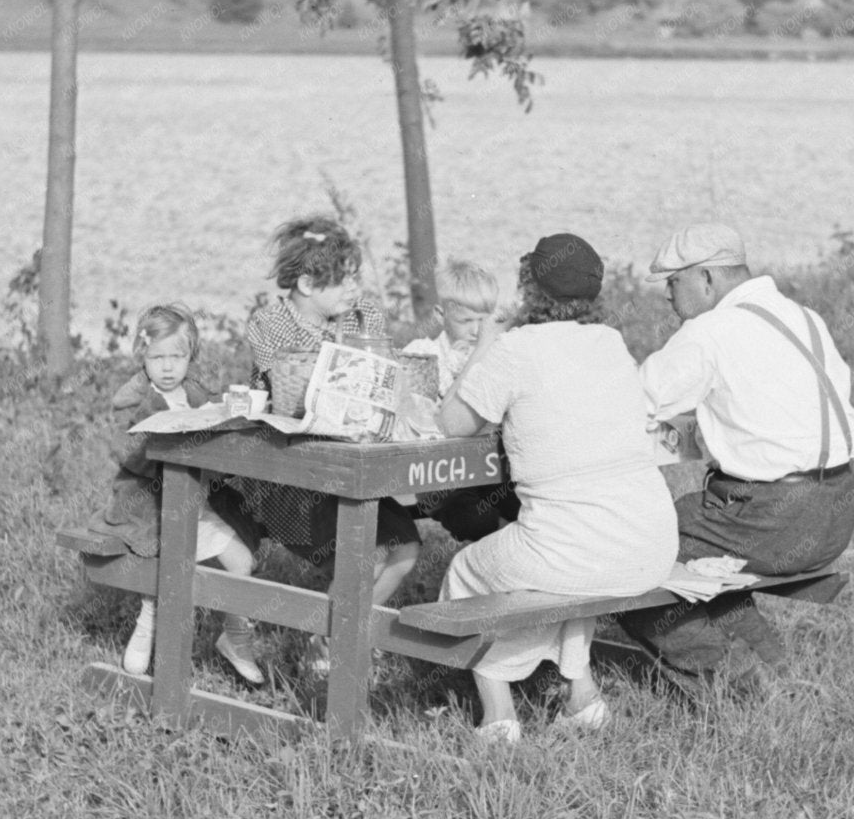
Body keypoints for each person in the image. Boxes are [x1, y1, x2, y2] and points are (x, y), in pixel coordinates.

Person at [437, 233, 679, 746]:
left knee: (466, 571)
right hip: (650, 540)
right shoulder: (610, 342)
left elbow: (454, 423)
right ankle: (582, 698)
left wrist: (483, 344)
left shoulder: (516, 347)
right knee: (568, 578)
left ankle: (499, 716)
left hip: (576, 548)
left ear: (528, 286)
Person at [623, 222, 854, 687]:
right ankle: (775, 668)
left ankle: (737, 682)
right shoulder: (803, 316)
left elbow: (632, 403)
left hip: (775, 519)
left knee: (633, 550)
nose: (668, 298)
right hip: (838, 510)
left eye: (673, 283)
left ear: (706, 279)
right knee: (691, 535)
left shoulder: (712, 331)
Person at [236, 213, 420, 617]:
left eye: (357, 276)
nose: (356, 287)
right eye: (345, 279)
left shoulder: (363, 316)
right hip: (293, 475)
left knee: (404, 549)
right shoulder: (272, 324)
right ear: (306, 284)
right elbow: (295, 394)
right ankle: (334, 643)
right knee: (366, 553)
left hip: (356, 468)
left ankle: (340, 639)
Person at [80, 303, 268, 685]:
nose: (167, 367)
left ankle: (236, 637)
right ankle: (149, 619)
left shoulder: (196, 394)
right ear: (142, 356)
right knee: (171, 559)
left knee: (242, 561)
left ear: (190, 356)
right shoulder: (131, 399)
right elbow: (130, 452)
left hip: (196, 504)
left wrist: (226, 425)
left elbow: (218, 441)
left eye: (177, 357)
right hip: (150, 506)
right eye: (157, 357)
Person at [404, 258, 520, 543]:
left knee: (525, 508)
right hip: (443, 476)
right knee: (476, 520)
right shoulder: (426, 355)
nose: (476, 331)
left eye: (484, 321)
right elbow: (434, 423)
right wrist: (479, 353)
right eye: (466, 321)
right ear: (441, 314)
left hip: (493, 468)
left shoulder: (500, 353)